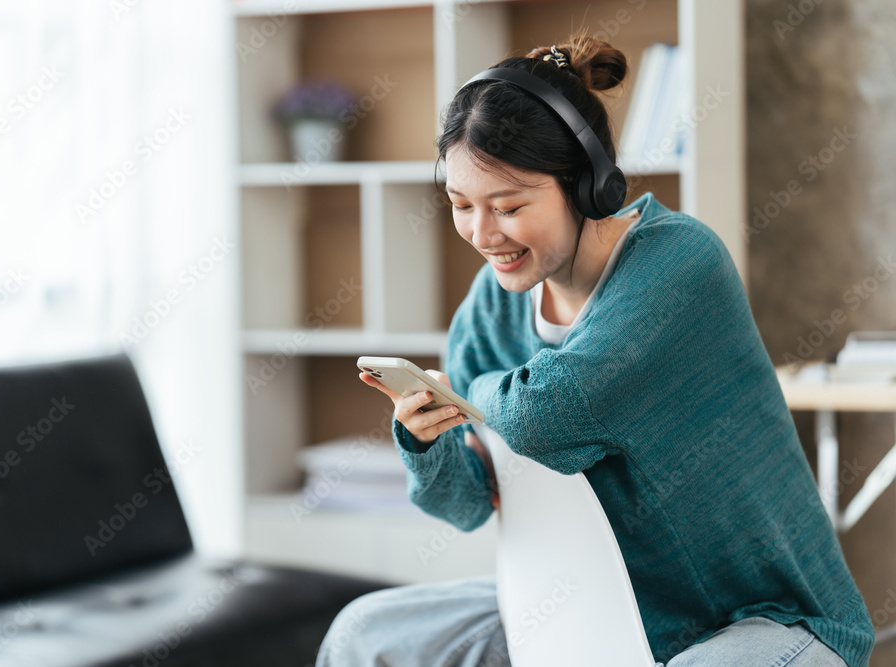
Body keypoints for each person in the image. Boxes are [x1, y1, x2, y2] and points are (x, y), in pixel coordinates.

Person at [315, 36, 874, 667]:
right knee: (367, 632)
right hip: (586, 605)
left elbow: (542, 416)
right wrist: (425, 439)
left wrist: (466, 393)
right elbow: (468, 504)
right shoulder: (493, 302)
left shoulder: (680, 264)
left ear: (590, 187)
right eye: (461, 205)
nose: (481, 234)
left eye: (508, 206)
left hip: (756, 619)